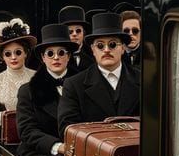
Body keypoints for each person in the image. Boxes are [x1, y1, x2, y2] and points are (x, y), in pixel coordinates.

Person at [57, 11, 139, 139]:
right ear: (93, 49)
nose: (106, 50)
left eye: (112, 44)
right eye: (100, 45)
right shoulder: (74, 85)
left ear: (123, 48)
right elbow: (66, 129)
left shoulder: (143, 80)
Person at [17, 24, 75, 156]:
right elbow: (27, 131)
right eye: (50, 53)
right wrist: (58, 146)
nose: (56, 57)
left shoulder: (82, 85)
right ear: (43, 58)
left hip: (78, 150)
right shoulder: (27, 91)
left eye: (61, 52)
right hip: (40, 151)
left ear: (68, 56)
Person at [0, 19, 36, 128]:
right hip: (10, 136)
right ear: (2, 57)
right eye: (8, 54)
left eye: (18, 52)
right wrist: (11, 116)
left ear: (25, 53)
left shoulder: (39, 77)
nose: (13, 57)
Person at [59, 5, 94, 74]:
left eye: (78, 30)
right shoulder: (54, 57)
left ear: (83, 33)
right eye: (70, 32)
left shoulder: (94, 55)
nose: (74, 34)